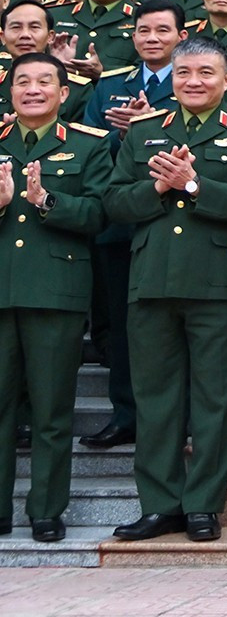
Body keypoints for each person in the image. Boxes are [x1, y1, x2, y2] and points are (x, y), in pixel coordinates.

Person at [104, 37, 227, 543]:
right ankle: (159, 505)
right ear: (171, 79)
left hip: (219, 283)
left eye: (205, 73)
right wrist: (157, 188)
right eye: (184, 74)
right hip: (152, 280)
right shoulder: (144, 132)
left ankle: (203, 504)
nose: (193, 82)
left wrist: (195, 186)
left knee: (215, 398)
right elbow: (114, 202)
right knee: (155, 398)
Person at [0, 54, 110, 543]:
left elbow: (101, 214)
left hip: (55, 293)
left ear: (64, 93)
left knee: (50, 410)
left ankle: (46, 509)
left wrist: (48, 202)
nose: (33, 90)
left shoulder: (88, 145)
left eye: (45, 81)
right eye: (22, 81)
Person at [78, 0, 188, 451]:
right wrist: (121, 135)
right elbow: (85, 145)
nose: (152, 38)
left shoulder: (194, 78)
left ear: (181, 36)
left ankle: (178, 420)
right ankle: (126, 414)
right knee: (125, 328)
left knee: (177, 327)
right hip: (121, 225)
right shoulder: (110, 85)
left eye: (163, 30)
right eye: (144, 31)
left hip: (174, 224)